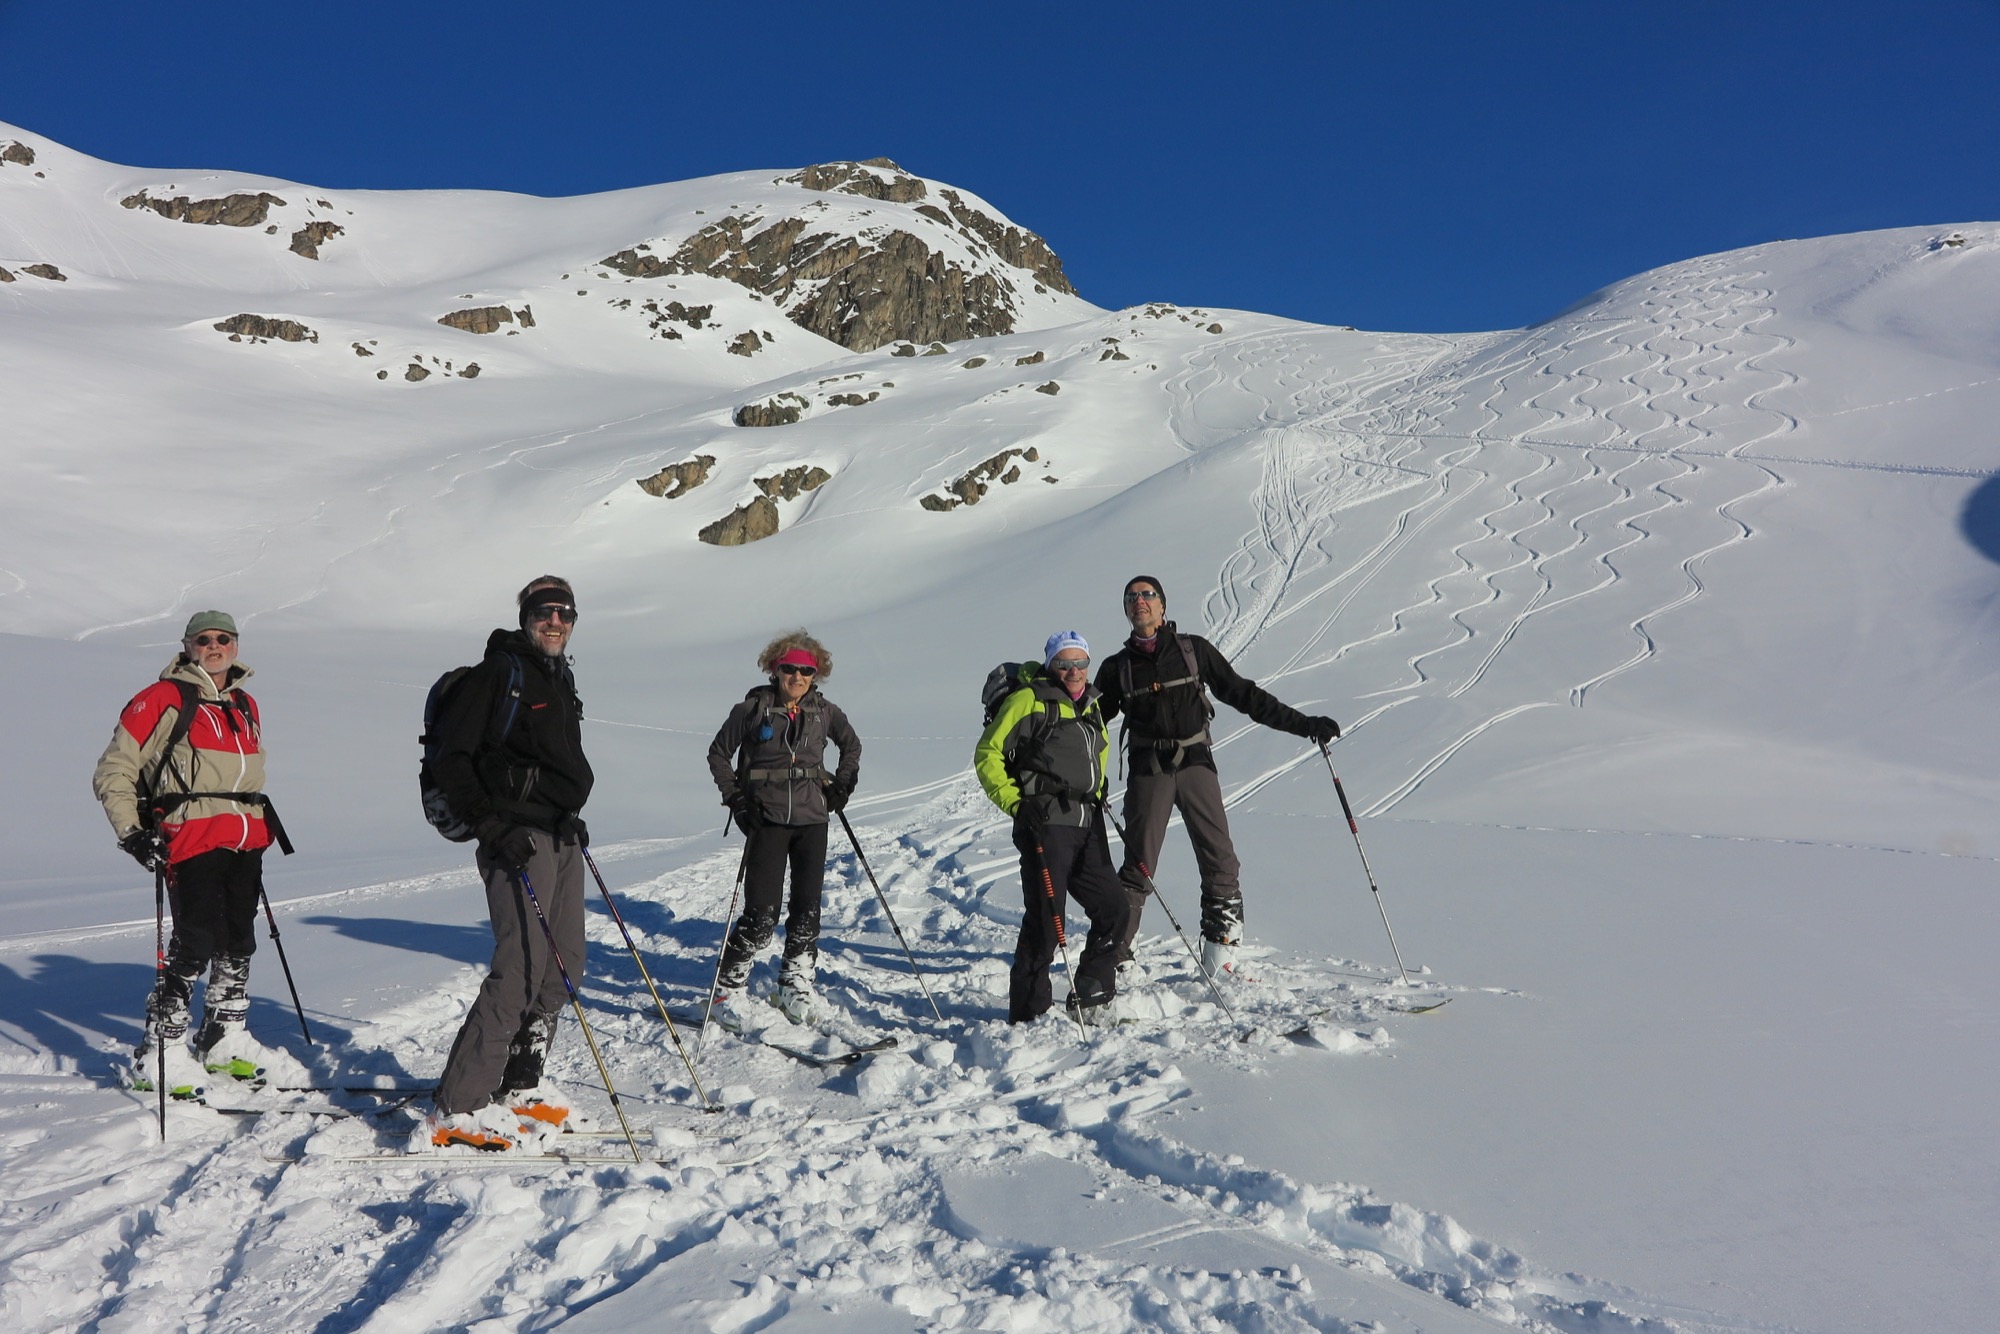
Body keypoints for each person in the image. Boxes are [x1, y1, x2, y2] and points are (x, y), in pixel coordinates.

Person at [1095, 576, 1339, 980]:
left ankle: (1221, 958)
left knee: (1221, 860)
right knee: (1137, 869)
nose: (1140, 601)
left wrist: (1304, 725)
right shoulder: (1115, 668)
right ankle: (1117, 957)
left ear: (1163, 606)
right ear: (1126, 610)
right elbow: (1088, 726)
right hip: (1148, 772)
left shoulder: (1193, 651)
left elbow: (1245, 695)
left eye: (1148, 594)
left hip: (1195, 766)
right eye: (1132, 597)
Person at [93, 610, 294, 1095]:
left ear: (236, 646)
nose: (214, 645)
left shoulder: (245, 703)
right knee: (194, 942)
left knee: (238, 941)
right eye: (203, 639)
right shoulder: (163, 698)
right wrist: (133, 832)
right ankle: (160, 1050)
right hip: (188, 837)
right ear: (187, 645)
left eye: (223, 638)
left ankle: (225, 1038)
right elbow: (114, 771)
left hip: (246, 837)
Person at [426, 576, 594, 1150]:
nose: (555, 621)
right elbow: (454, 759)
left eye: (565, 613)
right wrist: (491, 824)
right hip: (514, 838)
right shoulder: (500, 673)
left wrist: (565, 811)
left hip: (557, 835)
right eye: (545, 612)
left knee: (564, 964)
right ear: (526, 616)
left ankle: (519, 1084)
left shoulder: (558, 676)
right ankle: (460, 1105)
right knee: (520, 966)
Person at [706, 631, 861, 1027]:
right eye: (789, 668)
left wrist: (842, 785)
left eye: (806, 670)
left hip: (813, 820)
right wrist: (738, 802)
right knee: (761, 914)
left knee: (807, 910)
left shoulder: (825, 711)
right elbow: (718, 754)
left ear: (816, 674)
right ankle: (728, 988)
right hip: (767, 820)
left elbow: (852, 746)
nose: (797, 676)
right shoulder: (752, 709)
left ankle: (794, 984)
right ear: (774, 669)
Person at [974, 632, 1128, 1025]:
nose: (1073, 672)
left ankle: (1092, 993)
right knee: (1046, 919)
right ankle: (1029, 1013)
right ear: (1050, 665)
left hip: (1087, 821)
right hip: (1045, 822)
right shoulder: (1029, 700)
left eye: (1080, 664)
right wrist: (1015, 803)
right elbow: (988, 753)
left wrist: (1098, 783)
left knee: (1113, 908)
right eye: (1064, 664)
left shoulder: (1091, 704)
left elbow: (1100, 748)